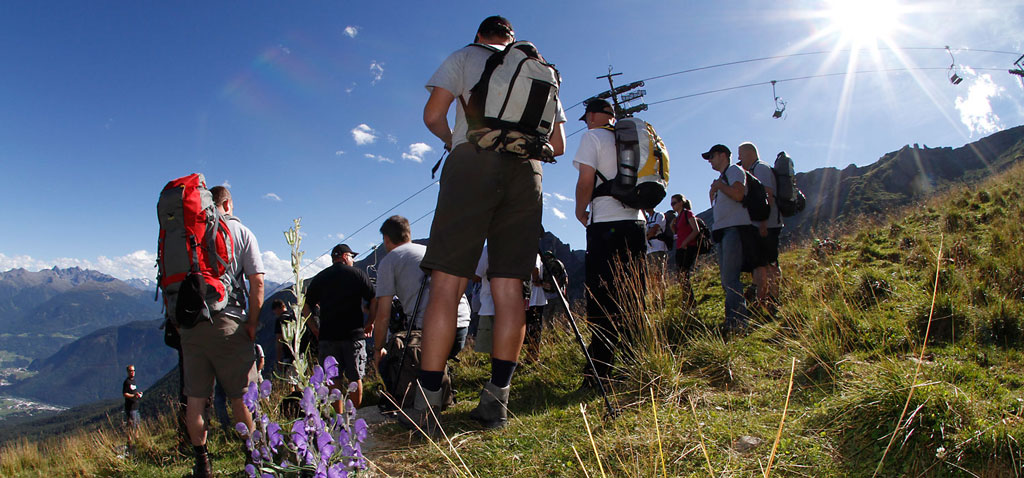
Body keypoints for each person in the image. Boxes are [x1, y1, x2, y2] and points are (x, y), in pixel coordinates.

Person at [415, 15, 566, 433]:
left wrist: (456, 142)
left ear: (480, 35)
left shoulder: (465, 56)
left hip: (472, 162)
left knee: (448, 282)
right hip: (527, 173)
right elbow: (557, 144)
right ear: (512, 40)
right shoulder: (542, 72)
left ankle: (427, 405)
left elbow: (432, 115)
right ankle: (496, 402)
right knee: (510, 285)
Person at [179, 185, 264, 478]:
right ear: (228, 203)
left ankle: (202, 464)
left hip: (190, 325)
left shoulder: (190, 230)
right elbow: (258, 284)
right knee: (240, 395)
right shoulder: (242, 232)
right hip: (229, 322)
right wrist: (252, 323)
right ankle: (253, 457)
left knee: (196, 399)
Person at [573, 98, 647, 385]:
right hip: (636, 222)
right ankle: (636, 364)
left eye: (587, 117)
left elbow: (585, 180)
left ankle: (600, 372)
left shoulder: (593, 136)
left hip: (605, 223)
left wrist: (580, 210)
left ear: (592, 116)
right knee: (632, 294)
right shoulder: (633, 140)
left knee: (603, 297)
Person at [371, 215, 471, 370]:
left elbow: (383, 314)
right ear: (408, 234)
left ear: (386, 239)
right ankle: (439, 387)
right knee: (434, 370)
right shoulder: (429, 251)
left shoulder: (389, 261)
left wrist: (378, 349)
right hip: (461, 322)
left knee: (391, 367)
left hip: (430, 327)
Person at [304, 244, 375, 412]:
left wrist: (315, 328)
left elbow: (305, 306)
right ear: (345, 256)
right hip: (353, 336)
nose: (353, 260)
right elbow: (374, 299)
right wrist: (370, 322)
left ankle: (339, 420)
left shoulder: (321, 277)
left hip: (327, 338)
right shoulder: (357, 274)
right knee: (354, 377)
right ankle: (353, 417)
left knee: (332, 380)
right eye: (352, 257)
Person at [703, 144, 753, 334]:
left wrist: (719, 187)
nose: (710, 160)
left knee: (730, 278)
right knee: (726, 279)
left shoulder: (734, 171)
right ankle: (735, 319)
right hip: (723, 231)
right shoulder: (723, 178)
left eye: (712, 156)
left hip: (734, 229)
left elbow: (739, 194)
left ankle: (737, 323)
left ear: (723, 155)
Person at [737, 142, 782, 310]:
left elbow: (767, 195)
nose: (739, 158)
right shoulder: (756, 169)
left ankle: (774, 299)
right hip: (762, 223)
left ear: (749, 153)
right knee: (761, 263)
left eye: (740, 154)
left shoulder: (760, 168)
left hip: (768, 224)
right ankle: (762, 300)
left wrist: (763, 222)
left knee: (770, 263)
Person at [670, 194, 701, 306]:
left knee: (684, 273)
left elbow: (695, 230)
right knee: (681, 274)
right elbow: (678, 234)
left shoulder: (688, 213)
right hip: (680, 247)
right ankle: (688, 299)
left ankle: (690, 302)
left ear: (681, 203)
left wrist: (685, 242)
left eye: (674, 203)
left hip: (688, 247)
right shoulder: (678, 218)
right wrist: (672, 228)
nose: (672, 205)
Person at [523, 254, 547, 363]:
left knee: (533, 328)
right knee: (536, 327)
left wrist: (535, 281)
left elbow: (535, 268)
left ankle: (532, 356)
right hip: (538, 298)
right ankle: (532, 354)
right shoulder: (537, 255)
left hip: (533, 298)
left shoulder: (534, 254)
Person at [644, 207, 670, 286]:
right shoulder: (647, 219)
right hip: (649, 249)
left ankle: (662, 295)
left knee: (658, 273)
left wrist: (646, 238)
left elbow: (654, 230)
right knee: (652, 275)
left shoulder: (659, 215)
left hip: (658, 247)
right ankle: (657, 294)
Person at [123, 364, 142, 428]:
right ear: (128, 372)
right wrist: (133, 396)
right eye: (131, 371)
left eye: (134, 370)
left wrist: (138, 394)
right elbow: (125, 394)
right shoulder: (127, 382)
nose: (133, 372)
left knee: (137, 425)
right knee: (131, 426)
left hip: (136, 407)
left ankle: (137, 437)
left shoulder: (133, 381)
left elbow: (133, 390)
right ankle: (130, 437)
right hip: (130, 408)